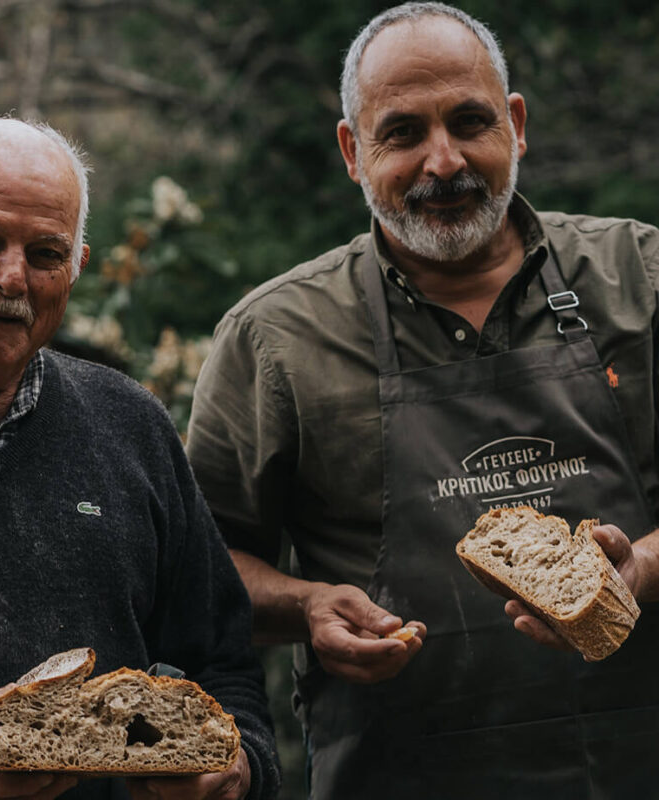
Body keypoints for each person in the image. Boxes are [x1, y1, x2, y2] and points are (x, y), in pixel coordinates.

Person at [186, 3, 659, 798]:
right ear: (351, 150)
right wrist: (305, 606)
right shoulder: (275, 339)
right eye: (402, 133)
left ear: (515, 124)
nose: (443, 163)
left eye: (470, 122)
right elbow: (198, 571)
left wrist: (639, 568)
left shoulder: (641, 278)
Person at [0, 108, 280, 800]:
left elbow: (226, 664)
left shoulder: (131, 424)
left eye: (46, 254)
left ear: (77, 268)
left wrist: (240, 772)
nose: (13, 277)